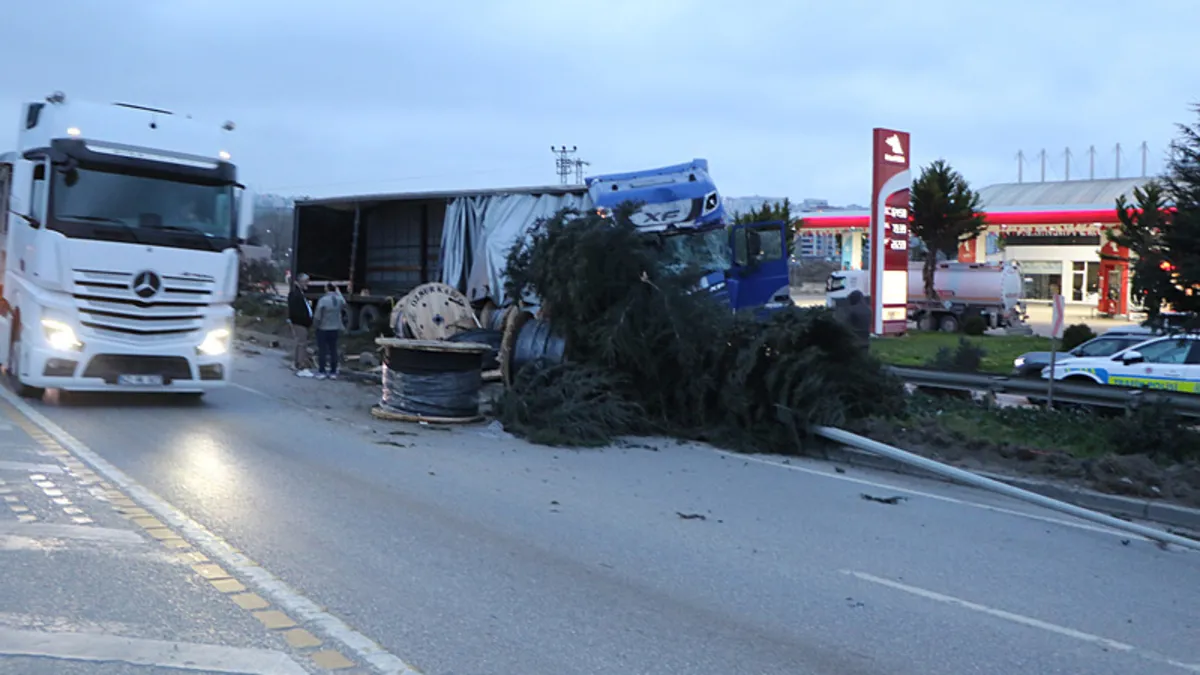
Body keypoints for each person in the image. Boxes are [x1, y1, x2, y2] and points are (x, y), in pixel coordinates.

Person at [312, 283, 347, 379]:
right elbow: (344, 303)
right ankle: (333, 372)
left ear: (326, 289)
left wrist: (315, 325)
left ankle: (322, 371)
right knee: (333, 350)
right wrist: (339, 292)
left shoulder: (323, 300)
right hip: (335, 328)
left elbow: (318, 315)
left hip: (323, 328)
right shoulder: (339, 300)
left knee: (322, 350)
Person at [287, 273, 314, 376]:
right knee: (302, 344)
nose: (307, 283)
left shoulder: (299, 293)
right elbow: (295, 311)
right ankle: (300, 365)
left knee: (300, 343)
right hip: (300, 323)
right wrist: (304, 320)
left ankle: (297, 363)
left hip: (301, 323)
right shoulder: (295, 294)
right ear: (300, 282)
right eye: (306, 281)